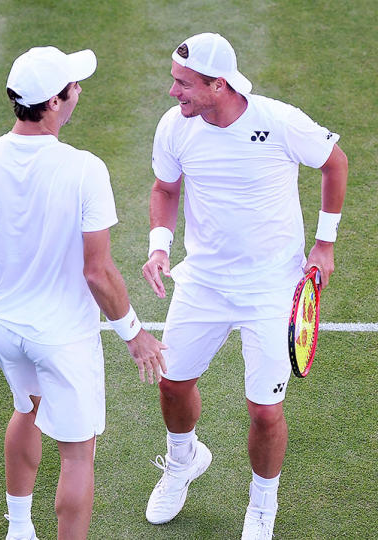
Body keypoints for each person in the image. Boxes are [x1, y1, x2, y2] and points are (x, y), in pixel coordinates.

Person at [0, 46, 167, 540]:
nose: (79, 91)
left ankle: (18, 529)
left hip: (4, 330)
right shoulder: (85, 169)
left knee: (27, 409)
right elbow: (97, 273)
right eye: (73, 86)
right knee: (78, 454)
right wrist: (135, 334)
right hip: (61, 337)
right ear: (54, 102)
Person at [141, 33, 347, 540]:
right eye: (174, 80)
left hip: (272, 287)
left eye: (184, 84)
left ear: (219, 84)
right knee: (172, 383)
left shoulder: (278, 121)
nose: (173, 93)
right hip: (204, 281)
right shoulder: (176, 128)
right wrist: (159, 245)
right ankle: (183, 461)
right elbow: (166, 189)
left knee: (264, 410)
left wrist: (325, 244)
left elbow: (334, 162)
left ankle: (262, 506)